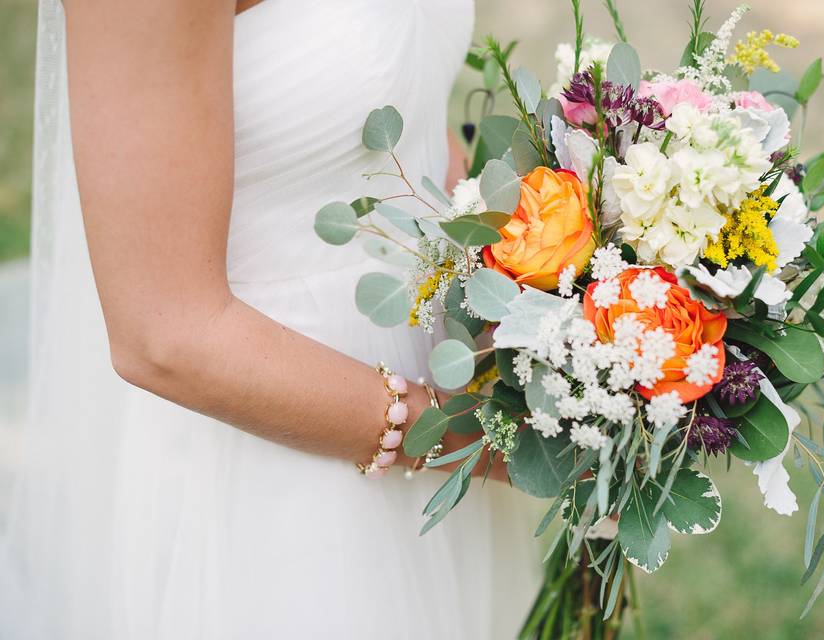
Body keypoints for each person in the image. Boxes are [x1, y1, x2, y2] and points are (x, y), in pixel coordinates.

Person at [0, 1, 538, 637]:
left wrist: (543, 302)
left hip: (440, 389)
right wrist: (475, 441)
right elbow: (165, 335)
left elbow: (403, 105)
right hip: (267, 472)